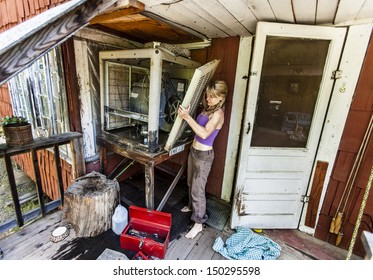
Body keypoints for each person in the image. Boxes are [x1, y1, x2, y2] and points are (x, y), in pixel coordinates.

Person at [177, 80, 228, 239]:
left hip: (203, 157)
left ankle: (198, 223)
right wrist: (189, 114)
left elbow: (205, 134)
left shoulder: (218, 114)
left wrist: (186, 117)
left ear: (221, 97)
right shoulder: (208, 109)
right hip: (194, 151)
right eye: (207, 96)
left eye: (213, 97)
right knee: (191, 183)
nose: (208, 99)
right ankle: (193, 207)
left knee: (198, 190)